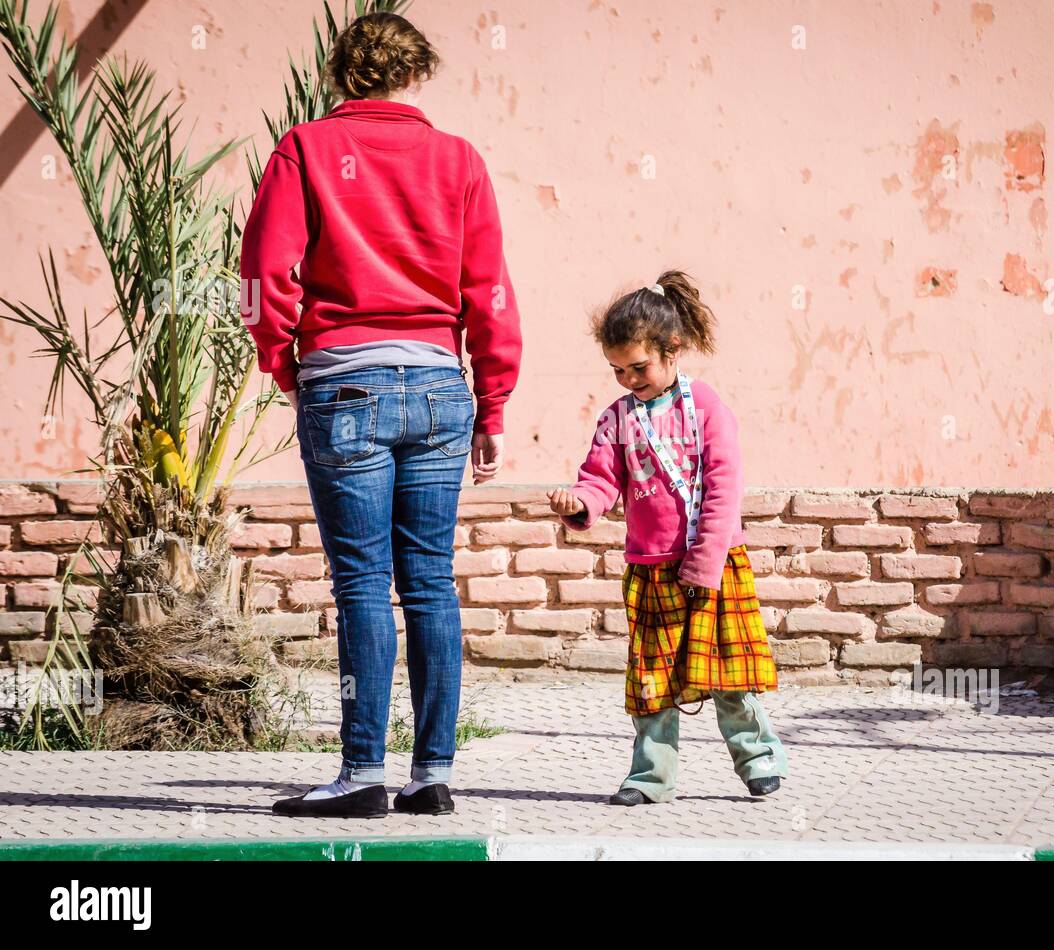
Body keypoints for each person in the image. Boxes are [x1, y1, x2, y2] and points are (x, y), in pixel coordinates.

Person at [240, 12, 522, 818]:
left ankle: (363, 773)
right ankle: (433, 773)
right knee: (430, 582)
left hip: (345, 386)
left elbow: (262, 268)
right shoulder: (458, 159)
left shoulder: (305, 148)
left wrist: (281, 360)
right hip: (440, 389)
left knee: (363, 585)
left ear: (341, 74)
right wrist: (491, 403)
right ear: (417, 75)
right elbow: (490, 290)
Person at [548, 271, 787, 805]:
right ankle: (650, 778)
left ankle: (759, 759)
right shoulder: (617, 419)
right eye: (618, 370)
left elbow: (725, 487)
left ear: (672, 350)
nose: (629, 380)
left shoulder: (705, 406)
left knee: (727, 675)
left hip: (714, 565)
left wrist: (704, 561)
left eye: (639, 367)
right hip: (650, 570)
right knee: (651, 680)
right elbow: (601, 478)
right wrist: (581, 503)